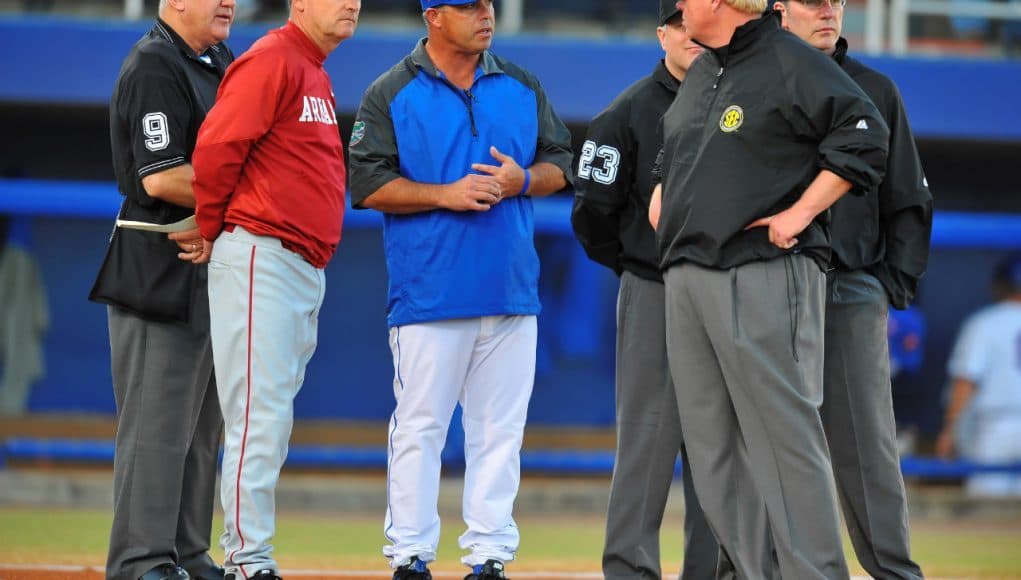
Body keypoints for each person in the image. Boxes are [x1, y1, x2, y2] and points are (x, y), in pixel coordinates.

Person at [650, 0, 890, 576]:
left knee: (785, 442)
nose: (681, 6)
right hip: (687, 275)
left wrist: (800, 213)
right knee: (712, 454)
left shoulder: (789, 58)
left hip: (756, 268)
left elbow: (864, 134)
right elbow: (671, 159)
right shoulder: (704, 69)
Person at [347, 1, 573, 578]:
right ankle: (410, 556)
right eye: (468, 6)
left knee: (499, 433)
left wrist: (523, 179)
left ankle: (490, 556)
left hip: (510, 290)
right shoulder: (391, 91)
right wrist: (443, 193)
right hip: (430, 292)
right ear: (434, 16)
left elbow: (561, 163)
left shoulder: (520, 84)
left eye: (488, 4)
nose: (486, 14)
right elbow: (366, 183)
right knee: (420, 426)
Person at [190, 0, 360, 577]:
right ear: (299, 4)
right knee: (258, 418)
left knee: (271, 419)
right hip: (263, 251)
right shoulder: (273, 59)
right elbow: (216, 149)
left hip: (299, 264)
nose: (352, 3)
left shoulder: (313, 70)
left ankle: (249, 554)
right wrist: (213, 226)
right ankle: (247, 560)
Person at [772, 0, 933, 576]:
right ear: (779, 9)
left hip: (849, 287)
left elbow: (909, 200)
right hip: (771, 287)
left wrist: (886, 287)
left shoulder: (876, 89)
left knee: (868, 447)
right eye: (813, 2)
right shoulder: (755, 79)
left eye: (836, 2)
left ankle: (894, 570)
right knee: (766, 441)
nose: (828, 12)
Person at [88, 0, 235, 578]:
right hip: (157, 259)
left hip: (210, 261)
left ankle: (187, 551)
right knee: (156, 427)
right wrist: (243, 200)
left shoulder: (219, 59)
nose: (229, 1)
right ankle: (141, 559)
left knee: (201, 432)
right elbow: (163, 175)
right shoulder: (155, 62)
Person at [571, 1, 717, 578]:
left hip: (722, 292)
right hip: (654, 289)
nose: (693, 34)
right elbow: (592, 215)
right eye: (680, 24)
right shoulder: (627, 111)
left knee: (719, 448)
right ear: (663, 33)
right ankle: (630, 570)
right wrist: (640, 266)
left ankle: (713, 571)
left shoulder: (737, 101)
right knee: (646, 447)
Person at [937, 252, 1021, 497]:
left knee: (986, 512)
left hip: (996, 429)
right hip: (995, 424)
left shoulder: (984, 323)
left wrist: (950, 430)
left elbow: (965, 381)